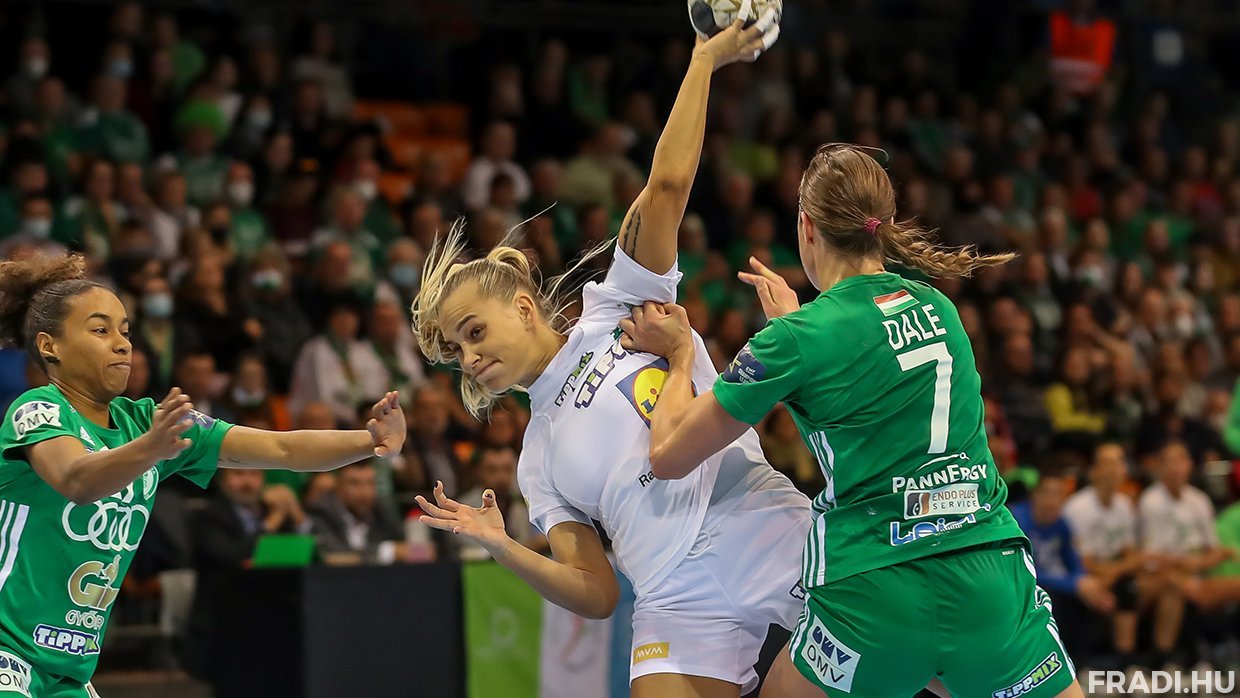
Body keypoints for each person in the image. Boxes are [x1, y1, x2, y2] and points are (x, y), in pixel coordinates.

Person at [412, 18, 809, 698]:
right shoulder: (536, 460)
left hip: (755, 522)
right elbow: (596, 593)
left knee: (944, 669)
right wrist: (503, 545)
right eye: (456, 350)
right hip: (673, 597)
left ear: (523, 307)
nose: (468, 357)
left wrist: (703, 61)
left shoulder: (618, 305)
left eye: (474, 332)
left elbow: (666, 190)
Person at [619, 143, 1084, 697]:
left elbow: (668, 454)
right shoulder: (940, 308)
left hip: (873, 589)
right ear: (882, 224)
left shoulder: (795, 340)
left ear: (806, 227)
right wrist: (797, 326)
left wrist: (679, 356)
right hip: (987, 573)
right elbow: (869, 374)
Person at [0, 253, 405, 697]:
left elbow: (282, 448)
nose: (122, 345)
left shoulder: (146, 422)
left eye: (125, 332)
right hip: (8, 650)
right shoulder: (38, 409)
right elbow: (77, 480)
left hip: (68, 669)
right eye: (100, 330)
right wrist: (150, 449)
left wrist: (370, 439)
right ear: (50, 346)